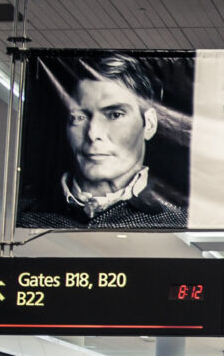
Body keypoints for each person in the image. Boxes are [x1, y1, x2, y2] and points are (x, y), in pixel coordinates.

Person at [18, 53, 187, 229]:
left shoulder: (178, 218)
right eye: (79, 117)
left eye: (115, 115)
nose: (92, 133)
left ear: (149, 124)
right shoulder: (27, 213)